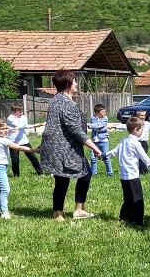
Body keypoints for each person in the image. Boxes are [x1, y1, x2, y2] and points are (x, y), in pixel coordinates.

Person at [39, 70, 103, 221]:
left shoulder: (57, 99)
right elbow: (75, 130)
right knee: (64, 179)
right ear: (68, 84)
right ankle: (59, 213)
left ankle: (76, 210)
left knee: (80, 175)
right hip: (62, 149)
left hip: (63, 147)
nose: (76, 84)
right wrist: (94, 146)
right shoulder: (66, 103)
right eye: (74, 81)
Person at [105, 117, 150, 226]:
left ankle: (124, 217)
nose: (142, 132)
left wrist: (105, 155)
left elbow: (115, 151)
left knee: (128, 197)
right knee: (137, 198)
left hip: (123, 175)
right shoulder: (135, 143)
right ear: (135, 130)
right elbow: (144, 157)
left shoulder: (123, 140)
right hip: (133, 175)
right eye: (141, 130)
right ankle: (138, 220)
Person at [0, 120, 38, 219]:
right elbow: (18, 148)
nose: (6, 130)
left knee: (1, 189)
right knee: (5, 190)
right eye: (3, 129)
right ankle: (5, 213)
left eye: (6, 128)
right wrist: (34, 150)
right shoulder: (3, 140)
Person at [6, 103, 43, 177]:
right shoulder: (10, 118)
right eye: (19, 112)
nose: (21, 113)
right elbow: (20, 125)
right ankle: (16, 175)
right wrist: (30, 125)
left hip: (24, 140)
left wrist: (31, 125)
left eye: (22, 111)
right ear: (13, 112)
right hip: (13, 142)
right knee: (15, 160)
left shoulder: (23, 117)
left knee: (32, 157)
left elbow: (24, 125)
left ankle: (40, 172)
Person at [89, 104, 114, 177]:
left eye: (105, 111)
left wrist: (91, 126)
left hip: (103, 141)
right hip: (94, 141)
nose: (104, 113)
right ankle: (94, 173)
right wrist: (102, 127)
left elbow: (98, 127)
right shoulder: (92, 118)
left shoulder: (105, 118)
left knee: (106, 157)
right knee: (93, 158)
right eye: (103, 112)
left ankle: (110, 173)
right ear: (97, 113)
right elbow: (98, 128)